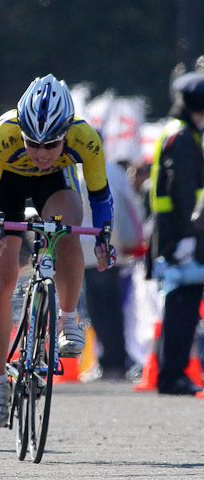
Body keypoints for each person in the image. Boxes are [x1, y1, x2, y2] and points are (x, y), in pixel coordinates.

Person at [0, 74, 116, 427]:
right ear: (20, 131)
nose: (41, 153)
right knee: (1, 283)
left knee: (66, 230)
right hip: (5, 185)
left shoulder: (86, 138)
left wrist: (103, 240)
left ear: (67, 133)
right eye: (32, 143)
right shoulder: (1, 135)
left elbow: (100, 198)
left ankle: (67, 319)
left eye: (51, 144)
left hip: (56, 184)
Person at [149, 71, 204, 395]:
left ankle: (172, 373)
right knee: (182, 309)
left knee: (179, 307)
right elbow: (184, 191)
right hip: (181, 235)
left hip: (173, 233)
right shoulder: (184, 137)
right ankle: (172, 375)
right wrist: (187, 234)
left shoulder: (176, 132)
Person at [79, 160, 145, 380]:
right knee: (114, 310)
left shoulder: (80, 171)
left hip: (91, 249)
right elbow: (131, 205)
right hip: (115, 249)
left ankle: (110, 363)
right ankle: (115, 363)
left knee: (100, 311)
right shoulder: (114, 170)